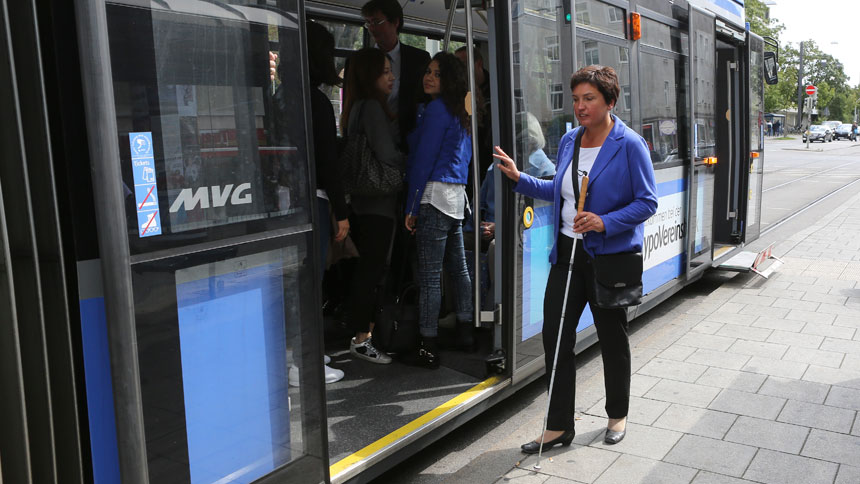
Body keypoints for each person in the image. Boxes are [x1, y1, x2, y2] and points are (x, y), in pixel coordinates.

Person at [494, 65, 657, 453]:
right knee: (556, 337)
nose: (580, 107)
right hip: (567, 253)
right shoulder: (570, 140)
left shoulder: (629, 144)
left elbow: (647, 201)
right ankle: (557, 426)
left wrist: (604, 222)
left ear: (609, 102)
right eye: (576, 99)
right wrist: (520, 179)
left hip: (608, 256)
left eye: (589, 99)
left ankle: (617, 414)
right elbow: (559, 189)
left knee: (612, 339)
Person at [403, 53, 474, 369]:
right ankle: (465, 330)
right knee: (458, 269)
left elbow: (423, 161)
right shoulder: (464, 110)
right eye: (427, 71)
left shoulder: (435, 110)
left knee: (430, 276)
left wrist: (411, 205)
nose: (428, 77)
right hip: (457, 197)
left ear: (448, 80)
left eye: (436, 73)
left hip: (433, 195)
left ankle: (427, 345)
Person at [341, 48, 405, 364]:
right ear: (370, 76)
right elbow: (387, 154)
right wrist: (408, 163)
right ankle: (362, 337)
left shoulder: (353, 107)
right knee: (373, 269)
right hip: (378, 201)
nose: (391, 77)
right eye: (384, 72)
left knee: (364, 268)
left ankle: (360, 332)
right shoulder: (372, 108)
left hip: (361, 200)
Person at [305, 21, 349, 383]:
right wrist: (342, 212)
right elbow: (328, 164)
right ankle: (304, 361)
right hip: (315, 202)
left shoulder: (282, 97)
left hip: (293, 200)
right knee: (312, 281)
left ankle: (301, 353)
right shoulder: (317, 103)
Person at [361, 0, 430, 150]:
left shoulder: (419, 59)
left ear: (396, 22)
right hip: (367, 146)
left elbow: (425, 100)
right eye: (368, 22)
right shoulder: (359, 61)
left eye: (377, 22)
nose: (372, 28)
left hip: (407, 144)